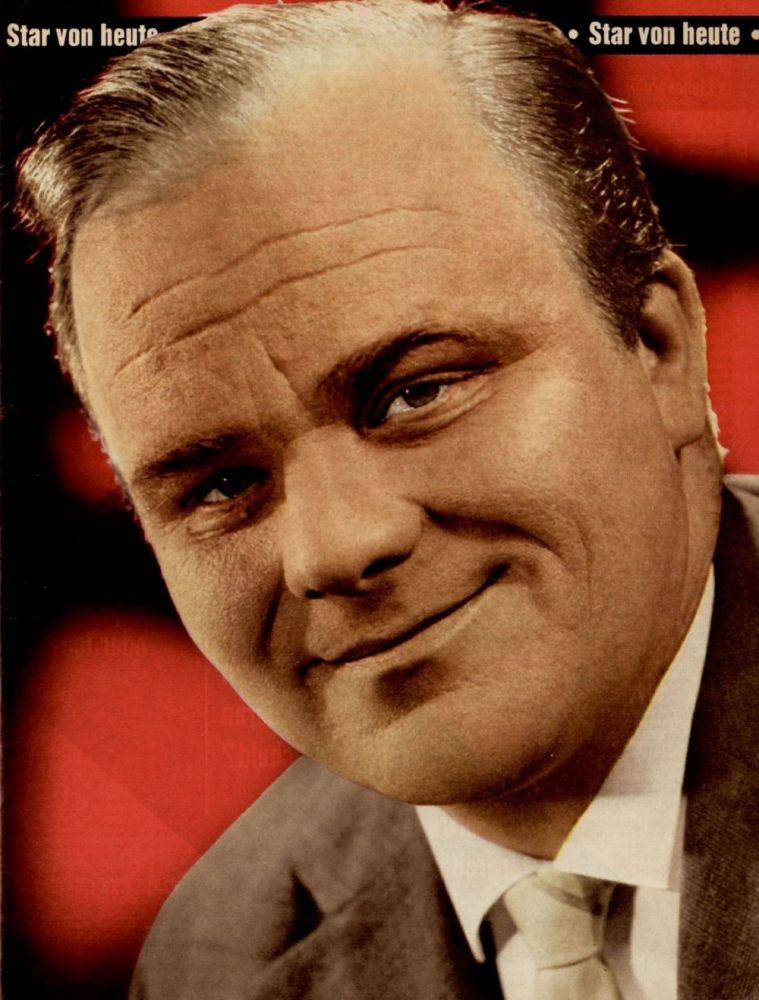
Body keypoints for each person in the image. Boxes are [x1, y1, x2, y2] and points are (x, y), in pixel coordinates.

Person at [16, 1, 758, 997]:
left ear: (660, 350)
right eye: (222, 484)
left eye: (417, 393)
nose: (336, 546)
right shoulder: (216, 959)